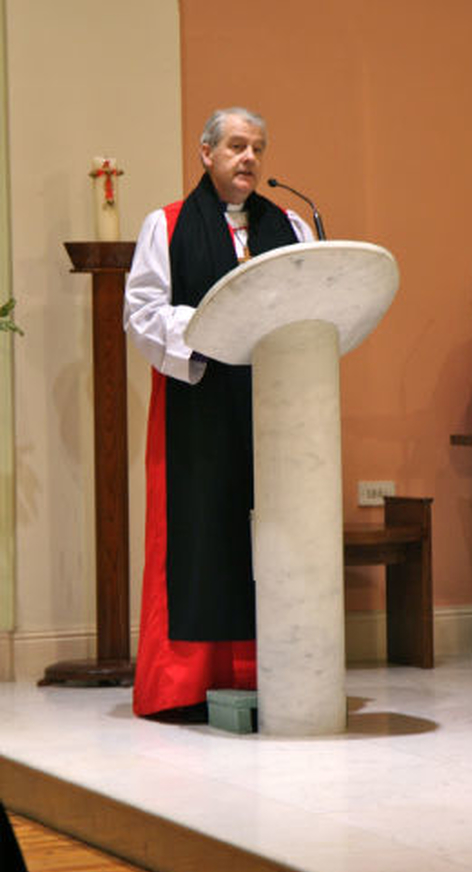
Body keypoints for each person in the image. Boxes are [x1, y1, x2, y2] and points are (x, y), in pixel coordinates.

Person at [124, 107, 314, 719]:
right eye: (236, 146)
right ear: (205, 153)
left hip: (273, 403)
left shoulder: (289, 224)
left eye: (258, 147)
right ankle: (186, 684)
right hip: (200, 399)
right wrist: (213, 332)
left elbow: (313, 303)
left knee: (270, 532)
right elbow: (145, 311)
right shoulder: (169, 224)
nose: (250, 159)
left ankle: (273, 674)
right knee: (200, 529)